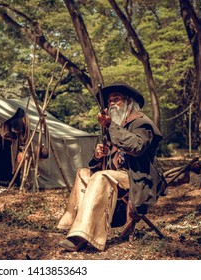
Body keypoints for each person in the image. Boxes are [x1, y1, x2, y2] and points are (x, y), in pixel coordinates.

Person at [57, 82, 166, 252]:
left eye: (117, 99)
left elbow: (136, 147)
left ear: (129, 102)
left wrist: (110, 126)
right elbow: (102, 165)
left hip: (138, 179)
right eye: (110, 100)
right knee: (83, 173)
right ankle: (74, 223)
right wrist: (98, 155)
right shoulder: (115, 126)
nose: (112, 103)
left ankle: (82, 235)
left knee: (102, 176)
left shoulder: (142, 123)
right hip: (115, 177)